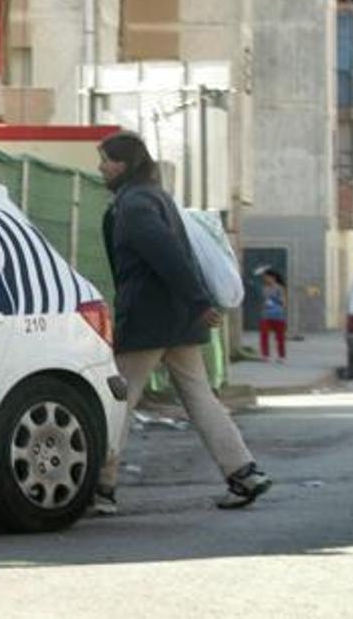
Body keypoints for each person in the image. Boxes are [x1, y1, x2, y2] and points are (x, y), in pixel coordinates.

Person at [94, 130, 271, 514]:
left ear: (123, 164)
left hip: (148, 320)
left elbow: (167, 254)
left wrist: (198, 299)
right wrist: (193, 304)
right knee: (199, 396)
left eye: (106, 159)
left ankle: (101, 486)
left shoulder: (136, 204)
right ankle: (243, 472)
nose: (100, 167)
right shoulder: (155, 196)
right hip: (176, 320)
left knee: (120, 400)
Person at [259, 269, 288, 362]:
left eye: (267, 277)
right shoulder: (265, 288)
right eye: (264, 278)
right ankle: (265, 355)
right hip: (266, 316)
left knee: (280, 337)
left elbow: (283, 302)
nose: (265, 279)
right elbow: (263, 300)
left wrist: (274, 300)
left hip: (278, 316)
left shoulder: (279, 288)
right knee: (264, 336)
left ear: (273, 278)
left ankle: (281, 356)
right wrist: (265, 304)